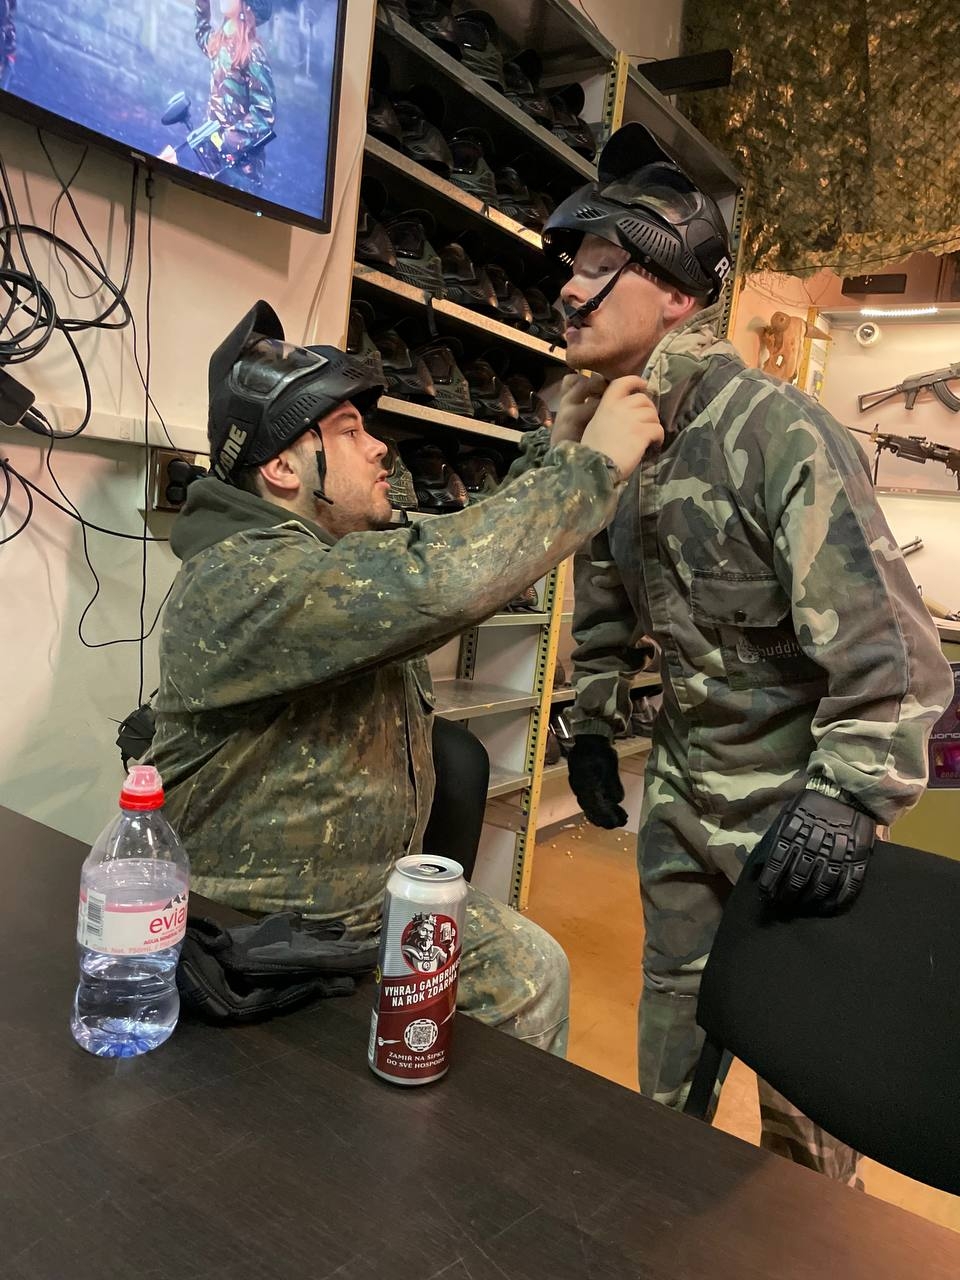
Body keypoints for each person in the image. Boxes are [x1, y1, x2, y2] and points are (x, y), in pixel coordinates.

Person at [541, 123, 954, 1179]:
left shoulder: (776, 433)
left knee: (803, 1088)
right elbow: (603, 592)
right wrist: (592, 723)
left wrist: (850, 799)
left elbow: (897, 657)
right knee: (668, 1047)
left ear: (677, 294)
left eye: (599, 264)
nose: (568, 290)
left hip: (794, 816)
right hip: (683, 796)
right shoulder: (612, 435)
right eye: (570, 266)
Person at [150, 298, 664, 1056]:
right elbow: (442, 579)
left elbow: (451, 556)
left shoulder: (329, 563)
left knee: (529, 970)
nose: (379, 448)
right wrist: (589, 470)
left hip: (360, 908)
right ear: (283, 468)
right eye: (349, 432)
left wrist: (548, 455)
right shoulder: (241, 580)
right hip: (252, 930)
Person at [160, 1, 276, 191]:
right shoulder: (220, 43)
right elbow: (202, 34)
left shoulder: (253, 53)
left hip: (240, 169)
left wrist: (226, 140)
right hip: (212, 159)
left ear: (246, 6)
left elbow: (264, 116)